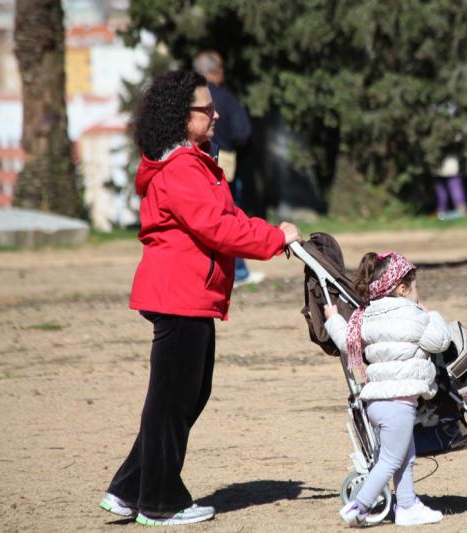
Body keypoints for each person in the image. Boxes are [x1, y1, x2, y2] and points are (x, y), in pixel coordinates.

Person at [98, 70, 301, 527]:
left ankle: (129, 489)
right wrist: (275, 238)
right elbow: (218, 227)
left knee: (182, 396)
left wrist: (269, 231)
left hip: (189, 294)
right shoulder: (183, 168)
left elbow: (227, 215)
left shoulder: (196, 162)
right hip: (179, 294)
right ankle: (161, 501)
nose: (215, 115)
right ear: (179, 115)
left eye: (213, 107)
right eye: (205, 109)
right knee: (174, 400)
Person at [323, 252, 449, 527]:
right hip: (400, 403)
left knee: (404, 455)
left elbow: (346, 342)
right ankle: (358, 507)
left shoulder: (366, 316)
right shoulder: (414, 315)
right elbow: (439, 341)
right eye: (415, 288)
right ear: (402, 289)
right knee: (391, 459)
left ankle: (407, 505)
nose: (417, 294)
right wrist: (434, 315)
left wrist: (333, 317)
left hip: (376, 403)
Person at [192, 51, 262, 288]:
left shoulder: (188, 99)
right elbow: (243, 134)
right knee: (229, 214)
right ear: (214, 71)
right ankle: (239, 272)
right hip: (224, 160)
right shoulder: (226, 99)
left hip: (192, 160)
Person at [433, 155, 467, 220]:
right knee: (450, 191)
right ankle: (441, 213)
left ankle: (441, 213)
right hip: (448, 167)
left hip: (447, 168)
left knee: (452, 191)